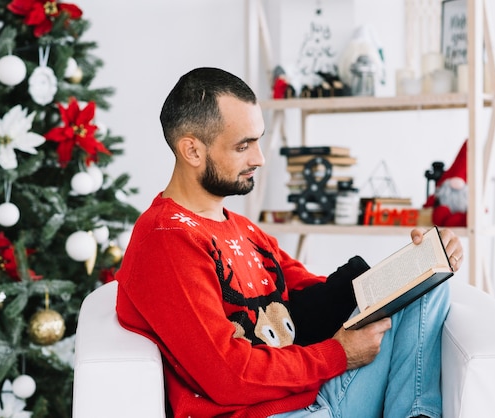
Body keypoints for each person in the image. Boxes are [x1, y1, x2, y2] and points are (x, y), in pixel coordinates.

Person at [115, 67, 463, 418]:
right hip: (274, 413)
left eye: (258, 140)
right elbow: (228, 375)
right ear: (192, 150)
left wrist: (412, 265)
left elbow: (317, 294)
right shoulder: (168, 238)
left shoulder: (245, 231)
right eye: (243, 145)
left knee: (430, 284)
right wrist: (338, 354)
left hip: (314, 399)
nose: (259, 158)